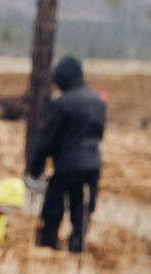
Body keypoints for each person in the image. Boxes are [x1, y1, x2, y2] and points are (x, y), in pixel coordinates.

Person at [28, 55, 106, 254]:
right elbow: (99, 133)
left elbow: (46, 140)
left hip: (67, 167)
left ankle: (48, 247)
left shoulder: (62, 104)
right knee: (82, 209)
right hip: (93, 166)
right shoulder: (97, 101)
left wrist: (35, 169)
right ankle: (77, 246)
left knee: (53, 209)